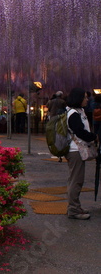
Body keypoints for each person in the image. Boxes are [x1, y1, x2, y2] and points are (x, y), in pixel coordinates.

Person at [65, 88, 98, 220]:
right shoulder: (73, 113)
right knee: (76, 181)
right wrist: (94, 137)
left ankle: (76, 206)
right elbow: (80, 132)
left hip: (77, 150)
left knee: (76, 180)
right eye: (84, 97)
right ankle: (73, 209)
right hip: (75, 151)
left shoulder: (79, 111)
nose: (87, 99)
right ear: (78, 98)